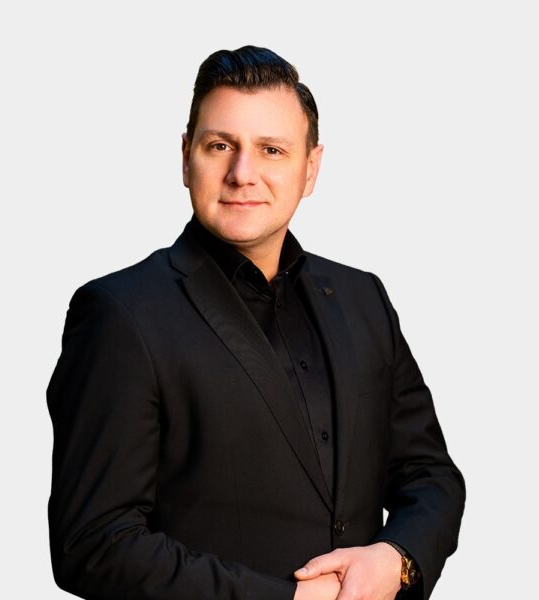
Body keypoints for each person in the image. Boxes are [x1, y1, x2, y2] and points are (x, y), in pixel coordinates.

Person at [47, 45, 465, 600]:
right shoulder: (119, 314)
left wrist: (397, 559)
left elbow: (430, 476)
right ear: (186, 157)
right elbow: (94, 542)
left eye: (272, 150)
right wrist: (289, 598)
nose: (243, 174)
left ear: (310, 168)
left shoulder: (363, 298)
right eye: (220, 146)